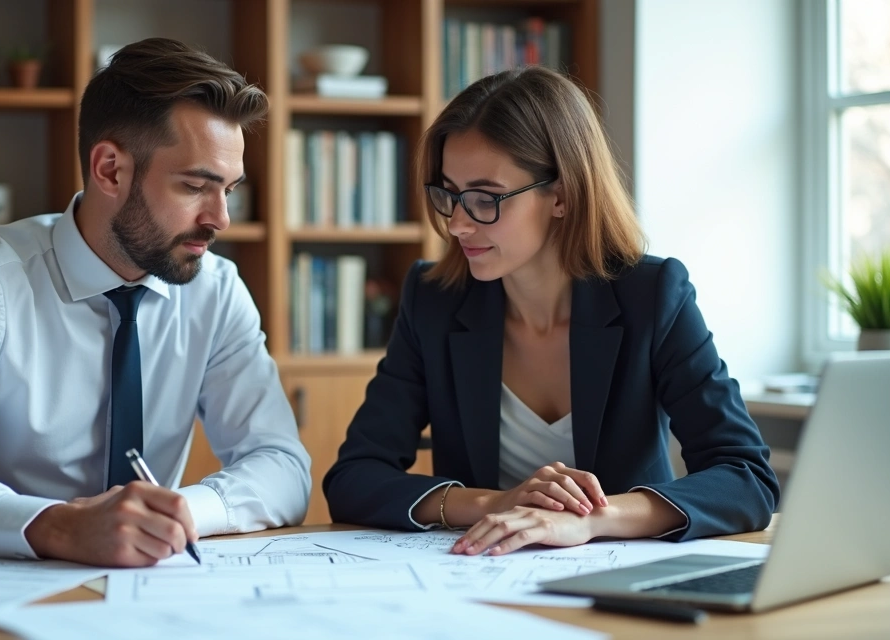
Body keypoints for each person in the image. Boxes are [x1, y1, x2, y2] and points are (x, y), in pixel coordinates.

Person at [0, 38, 310, 567]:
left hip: (153, 585)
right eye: (195, 186)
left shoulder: (216, 290)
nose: (221, 219)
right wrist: (59, 527)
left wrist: (175, 514)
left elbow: (283, 466)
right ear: (110, 170)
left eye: (228, 190)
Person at [323, 66, 778, 556]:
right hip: (473, 571)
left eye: (484, 199)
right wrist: (494, 503)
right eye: (448, 195)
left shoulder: (653, 295)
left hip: (620, 575)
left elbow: (746, 478)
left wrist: (592, 520)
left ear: (560, 195)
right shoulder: (433, 299)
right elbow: (353, 478)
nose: (457, 224)